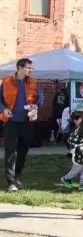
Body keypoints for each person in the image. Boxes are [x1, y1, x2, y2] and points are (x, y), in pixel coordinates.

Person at [0, 58, 44, 192]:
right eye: (28, 67)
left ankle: (17, 176)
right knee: (10, 151)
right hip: (11, 122)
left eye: (31, 68)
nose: (30, 70)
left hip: (27, 122)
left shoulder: (34, 82)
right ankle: (11, 181)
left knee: (23, 152)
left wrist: (36, 105)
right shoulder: (6, 81)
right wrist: (3, 109)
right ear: (20, 68)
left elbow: (41, 97)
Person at [60, 111, 83, 190]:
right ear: (75, 120)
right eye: (81, 119)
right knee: (77, 168)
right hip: (78, 152)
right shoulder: (75, 129)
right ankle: (66, 178)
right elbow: (70, 140)